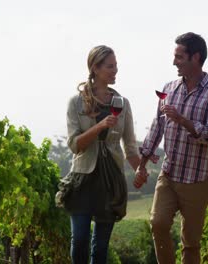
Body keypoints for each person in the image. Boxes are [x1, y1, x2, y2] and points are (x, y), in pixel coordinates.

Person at [134, 32, 208, 264]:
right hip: (169, 174)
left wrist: (183, 120)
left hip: (197, 179)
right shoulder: (169, 89)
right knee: (158, 223)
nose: (174, 62)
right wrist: (141, 164)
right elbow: (157, 128)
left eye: (179, 57)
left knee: (191, 243)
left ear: (195, 57)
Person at [63, 45, 141, 264]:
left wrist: (140, 170)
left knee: (100, 249)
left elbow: (130, 146)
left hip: (110, 181)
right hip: (83, 179)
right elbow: (74, 145)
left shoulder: (122, 104)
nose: (115, 71)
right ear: (95, 68)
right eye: (110, 66)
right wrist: (99, 127)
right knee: (79, 242)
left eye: (116, 66)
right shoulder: (75, 102)